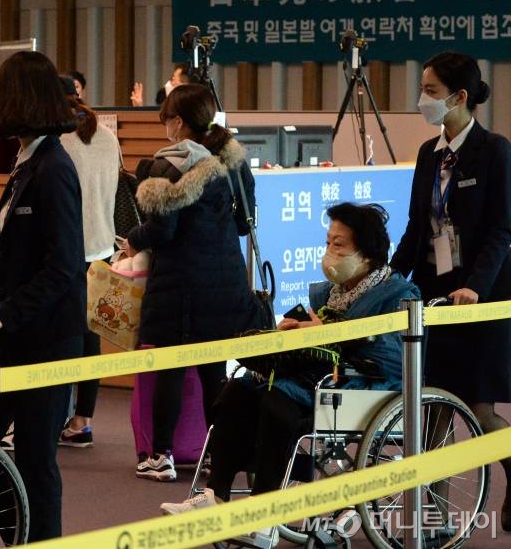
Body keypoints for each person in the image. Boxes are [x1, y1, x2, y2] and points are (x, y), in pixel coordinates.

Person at [161, 203, 419, 548]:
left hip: (361, 383)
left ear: (367, 253)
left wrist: (327, 331)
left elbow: (391, 359)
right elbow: (313, 334)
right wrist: (291, 331)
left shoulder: (398, 295)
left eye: (339, 245)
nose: (329, 252)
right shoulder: (330, 294)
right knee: (238, 390)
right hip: (310, 374)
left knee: (276, 400)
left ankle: (264, 514)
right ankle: (215, 495)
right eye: (328, 242)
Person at [0, 51, 86, 542]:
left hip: (45, 340)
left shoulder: (53, 168)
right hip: (12, 336)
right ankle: (15, 532)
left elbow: (63, 266)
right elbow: (1, 251)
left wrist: (7, 313)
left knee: (36, 459)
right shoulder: (26, 163)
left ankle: (35, 538)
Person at [390, 50, 511, 532]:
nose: (423, 100)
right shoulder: (427, 154)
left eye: (432, 92)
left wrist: (474, 290)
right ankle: (433, 521)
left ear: (460, 97)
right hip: (433, 299)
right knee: (432, 412)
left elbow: (502, 232)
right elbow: (416, 229)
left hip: (480, 300)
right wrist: (387, 281)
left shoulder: (496, 151)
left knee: (479, 410)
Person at [127, 83, 262, 482]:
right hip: (225, 283)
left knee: (170, 366)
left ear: (179, 122)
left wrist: (133, 239)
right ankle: (217, 455)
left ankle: (161, 456)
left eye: (166, 118)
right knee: (213, 372)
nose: (164, 126)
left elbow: (163, 231)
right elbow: (243, 224)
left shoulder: (168, 164)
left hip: (179, 284)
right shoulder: (234, 162)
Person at [58, 75, 120, 448]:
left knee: (59, 336)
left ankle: (50, 417)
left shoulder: (57, 143)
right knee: (89, 336)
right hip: (102, 248)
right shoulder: (107, 137)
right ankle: (83, 420)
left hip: (66, 251)